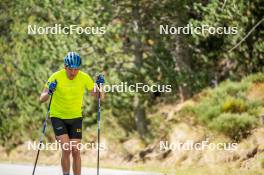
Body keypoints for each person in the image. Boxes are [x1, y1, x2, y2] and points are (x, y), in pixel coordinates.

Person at [39, 51, 104, 175]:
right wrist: (49, 92)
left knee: (76, 150)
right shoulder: (55, 77)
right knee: (66, 148)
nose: (73, 72)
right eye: (70, 69)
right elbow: (41, 98)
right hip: (58, 116)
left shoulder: (84, 77)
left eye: (76, 69)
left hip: (75, 117)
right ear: (65, 67)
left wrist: (101, 86)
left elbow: (100, 96)